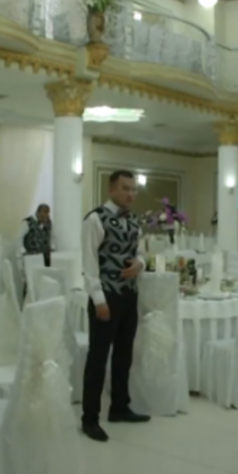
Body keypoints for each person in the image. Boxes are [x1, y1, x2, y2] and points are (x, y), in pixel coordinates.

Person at [81, 170, 149, 442]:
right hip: (106, 297)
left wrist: (140, 264)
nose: (131, 194)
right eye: (125, 188)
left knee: (124, 354)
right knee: (98, 359)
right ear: (111, 190)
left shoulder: (134, 220)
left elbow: (140, 251)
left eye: (133, 189)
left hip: (129, 295)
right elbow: (89, 263)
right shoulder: (95, 219)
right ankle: (89, 418)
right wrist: (98, 299)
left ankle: (119, 407)